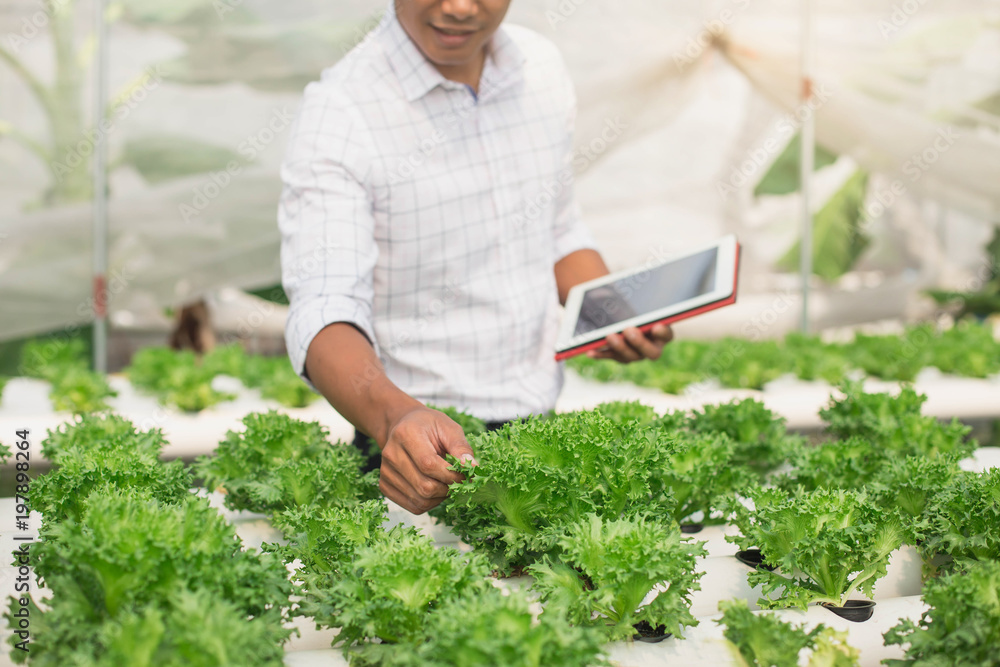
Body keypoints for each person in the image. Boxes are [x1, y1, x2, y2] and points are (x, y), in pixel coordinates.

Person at [278, 0, 673, 515]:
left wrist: (609, 310)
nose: (460, 7)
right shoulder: (342, 113)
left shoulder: (540, 70)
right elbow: (324, 307)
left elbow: (555, 230)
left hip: (539, 427)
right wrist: (395, 418)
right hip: (418, 450)